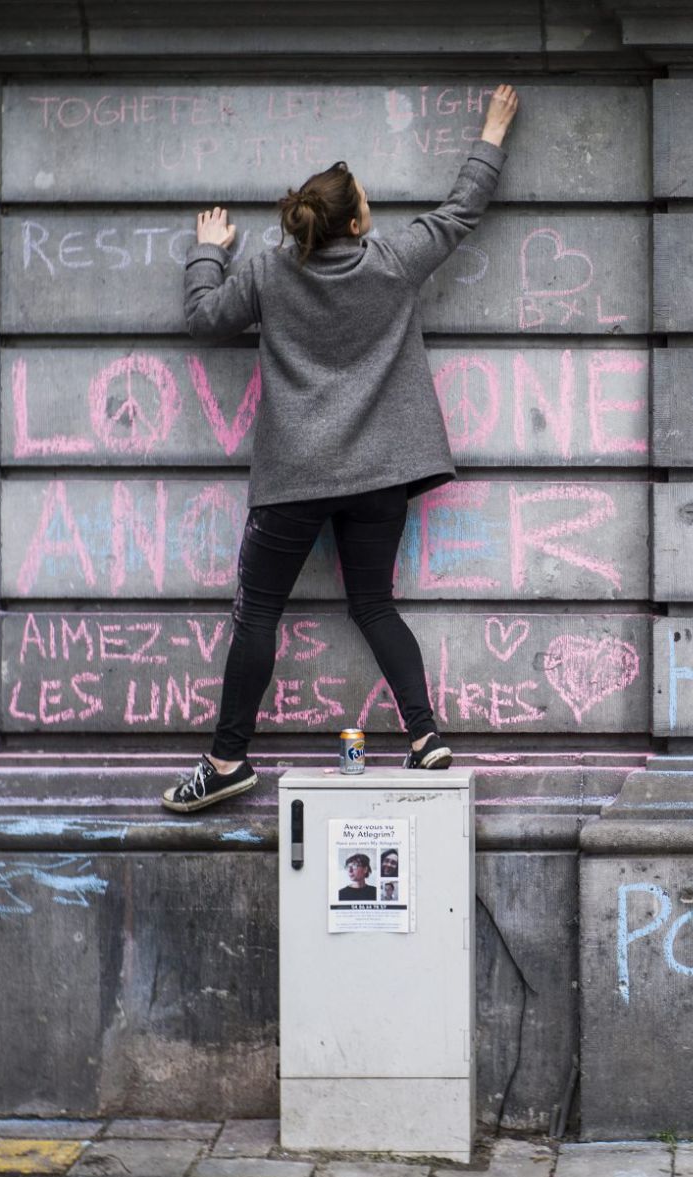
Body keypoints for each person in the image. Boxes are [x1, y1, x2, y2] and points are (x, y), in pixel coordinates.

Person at [161, 85, 521, 814]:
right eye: (365, 200)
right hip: (379, 476)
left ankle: (227, 760)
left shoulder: (265, 270)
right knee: (374, 604)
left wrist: (208, 250)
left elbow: (204, 318)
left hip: (294, 479)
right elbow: (460, 211)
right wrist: (490, 131)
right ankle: (423, 739)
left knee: (257, 614)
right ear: (355, 219)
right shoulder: (390, 260)